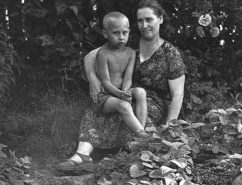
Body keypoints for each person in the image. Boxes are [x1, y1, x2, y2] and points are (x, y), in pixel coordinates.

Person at [56, 0, 185, 173]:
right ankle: (81, 156)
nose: (144, 25)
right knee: (96, 109)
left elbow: (178, 94)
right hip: (123, 92)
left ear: (160, 19)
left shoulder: (171, 53)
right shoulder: (127, 40)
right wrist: (93, 79)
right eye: (140, 21)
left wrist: (170, 128)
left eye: (149, 19)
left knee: (122, 112)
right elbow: (90, 57)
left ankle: (134, 154)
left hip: (152, 102)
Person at [95, 11, 148, 137]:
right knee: (124, 105)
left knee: (141, 92)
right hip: (106, 96)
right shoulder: (103, 54)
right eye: (116, 33)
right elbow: (105, 81)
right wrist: (119, 94)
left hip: (122, 91)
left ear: (129, 32)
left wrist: (125, 91)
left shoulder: (130, 52)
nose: (121, 37)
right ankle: (144, 136)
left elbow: (128, 77)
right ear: (105, 34)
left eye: (125, 33)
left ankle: (140, 130)